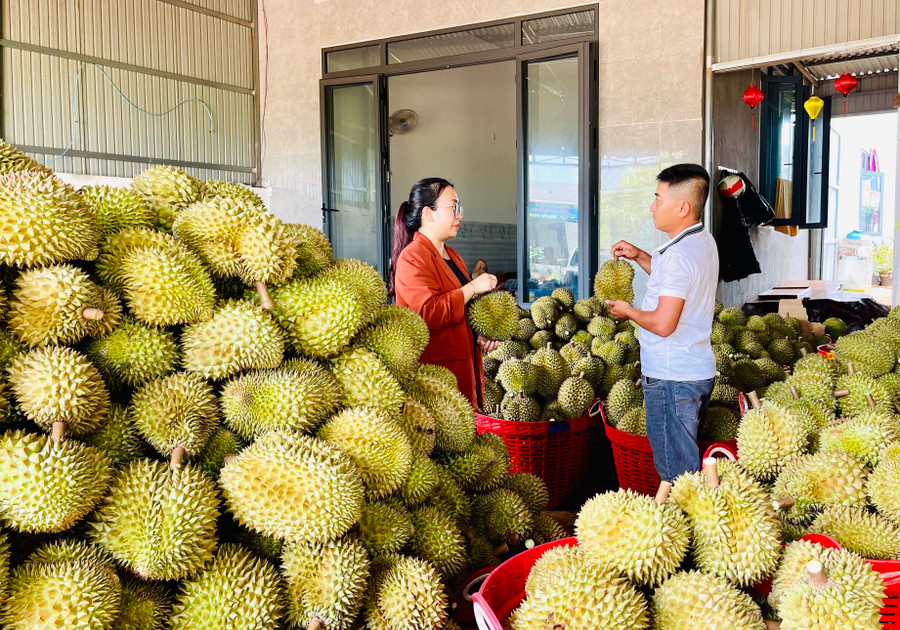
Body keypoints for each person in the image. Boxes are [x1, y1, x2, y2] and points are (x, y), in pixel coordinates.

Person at [605, 163, 718, 483]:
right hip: (693, 368)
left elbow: (664, 323)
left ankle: (690, 527)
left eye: (658, 199)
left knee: (677, 474)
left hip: (672, 379)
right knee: (683, 464)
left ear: (683, 207)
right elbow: (676, 284)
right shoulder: (700, 241)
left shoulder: (679, 256)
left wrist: (629, 312)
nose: (652, 206)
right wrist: (640, 255)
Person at [390, 178, 499, 409]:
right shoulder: (412, 258)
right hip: (434, 380)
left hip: (464, 371)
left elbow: (459, 312)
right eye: (454, 207)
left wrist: (476, 336)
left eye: (460, 208)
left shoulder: (454, 257)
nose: (459, 215)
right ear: (429, 214)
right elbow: (428, 312)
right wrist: (472, 287)